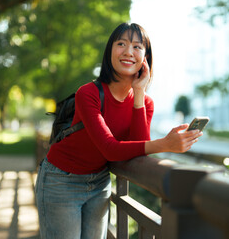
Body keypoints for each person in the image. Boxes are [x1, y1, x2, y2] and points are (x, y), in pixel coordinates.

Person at [35, 22, 203, 239]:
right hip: (61, 180)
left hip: (99, 182)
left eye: (137, 47)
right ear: (110, 51)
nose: (128, 52)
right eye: (121, 44)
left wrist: (139, 92)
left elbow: (138, 147)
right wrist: (166, 144)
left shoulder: (146, 103)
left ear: (145, 57)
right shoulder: (88, 93)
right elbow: (110, 149)